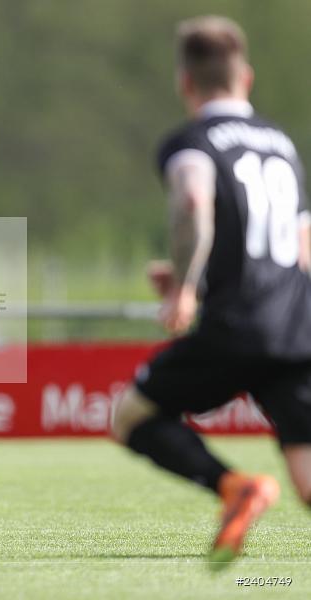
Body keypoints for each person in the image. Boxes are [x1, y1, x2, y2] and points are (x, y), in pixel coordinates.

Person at [111, 15, 311, 569]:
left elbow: (194, 202)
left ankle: (234, 486)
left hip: (235, 326)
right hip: (296, 325)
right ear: (245, 77)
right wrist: (186, 276)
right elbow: (298, 246)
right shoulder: (281, 145)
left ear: (185, 83)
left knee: (132, 418)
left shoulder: (191, 140)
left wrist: (187, 288)